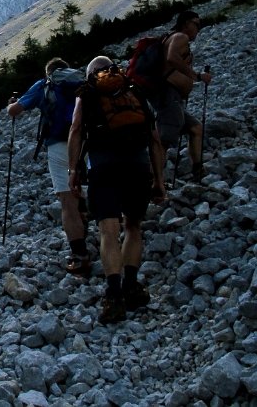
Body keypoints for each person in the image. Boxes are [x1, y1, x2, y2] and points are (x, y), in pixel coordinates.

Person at [68, 56, 165, 324]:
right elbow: (154, 140)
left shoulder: (87, 93)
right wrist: (159, 179)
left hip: (103, 168)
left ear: (90, 74)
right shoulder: (133, 90)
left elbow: (76, 129)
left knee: (108, 230)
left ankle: (113, 294)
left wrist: (73, 170)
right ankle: (131, 286)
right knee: (133, 226)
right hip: (138, 166)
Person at [7, 57, 92, 276]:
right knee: (95, 188)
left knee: (67, 201)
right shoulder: (83, 80)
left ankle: (80, 256)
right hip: (89, 141)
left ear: (50, 72)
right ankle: (108, 235)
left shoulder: (45, 84)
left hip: (59, 144)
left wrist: (11, 103)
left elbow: (14, 110)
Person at [159, 10, 213, 179]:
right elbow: (172, 58)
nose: (198, 28)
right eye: (196, 24)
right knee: (164, 140)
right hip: (168, 95)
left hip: (172, 97)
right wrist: (196, 76)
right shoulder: (180, 37)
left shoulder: (170, 37)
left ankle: (198, 170)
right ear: (186, 23)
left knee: (196, 128)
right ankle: (156, 183)